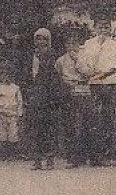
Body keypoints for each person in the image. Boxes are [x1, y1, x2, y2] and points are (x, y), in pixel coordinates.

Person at [77, 12, 116, 165]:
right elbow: (81, 64)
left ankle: (107, 153)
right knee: (93, 119)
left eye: (106, 27)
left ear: (110, 28)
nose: (103, 30)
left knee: (108, 119)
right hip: (94, 85)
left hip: (110, 84)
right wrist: (90, 73)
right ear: (95, 28)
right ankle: (93, 155)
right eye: (100, 27)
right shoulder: (89, 44)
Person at [25, 28, 61, 170]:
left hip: (48, 96)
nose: (41, 42)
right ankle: (37, 159)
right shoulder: (30, 56)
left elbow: (54, 75)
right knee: (35, 128)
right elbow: (26, 74)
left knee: (49, 127)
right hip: (34, 94)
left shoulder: (52, 55)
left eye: (44, 39)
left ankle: (50, 157)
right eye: (38, 39)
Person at [55, 30, 89, 167]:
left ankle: (82, 156)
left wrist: (78, 62)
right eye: (68, 44)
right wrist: (65, 82)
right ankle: (71, 157)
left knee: (84, 124)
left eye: (74, 43)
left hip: (83, 92)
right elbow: (56, 76)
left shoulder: (85, 57)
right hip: (68, 93)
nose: (71, 47)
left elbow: (89, 74)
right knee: (70, 124)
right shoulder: (60, 60)